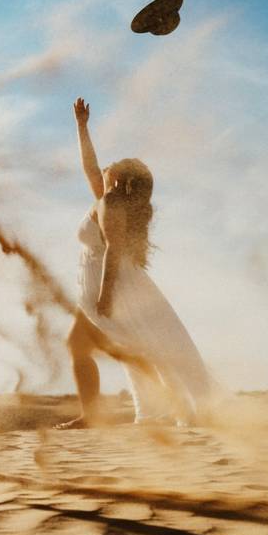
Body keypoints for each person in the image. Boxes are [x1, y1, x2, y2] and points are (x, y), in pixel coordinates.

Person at [58, 97, 215, 429]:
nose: (109, 164)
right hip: (98, 280)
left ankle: (163, 409)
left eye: (119, 162)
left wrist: (105, 295)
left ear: (121, 179)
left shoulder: (112, 203)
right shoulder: (107, 198)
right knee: (97, 345)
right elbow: (89, 166)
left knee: (132, 348)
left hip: (108, 283)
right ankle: (115, 413)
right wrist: (82, 127)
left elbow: (114, 250)